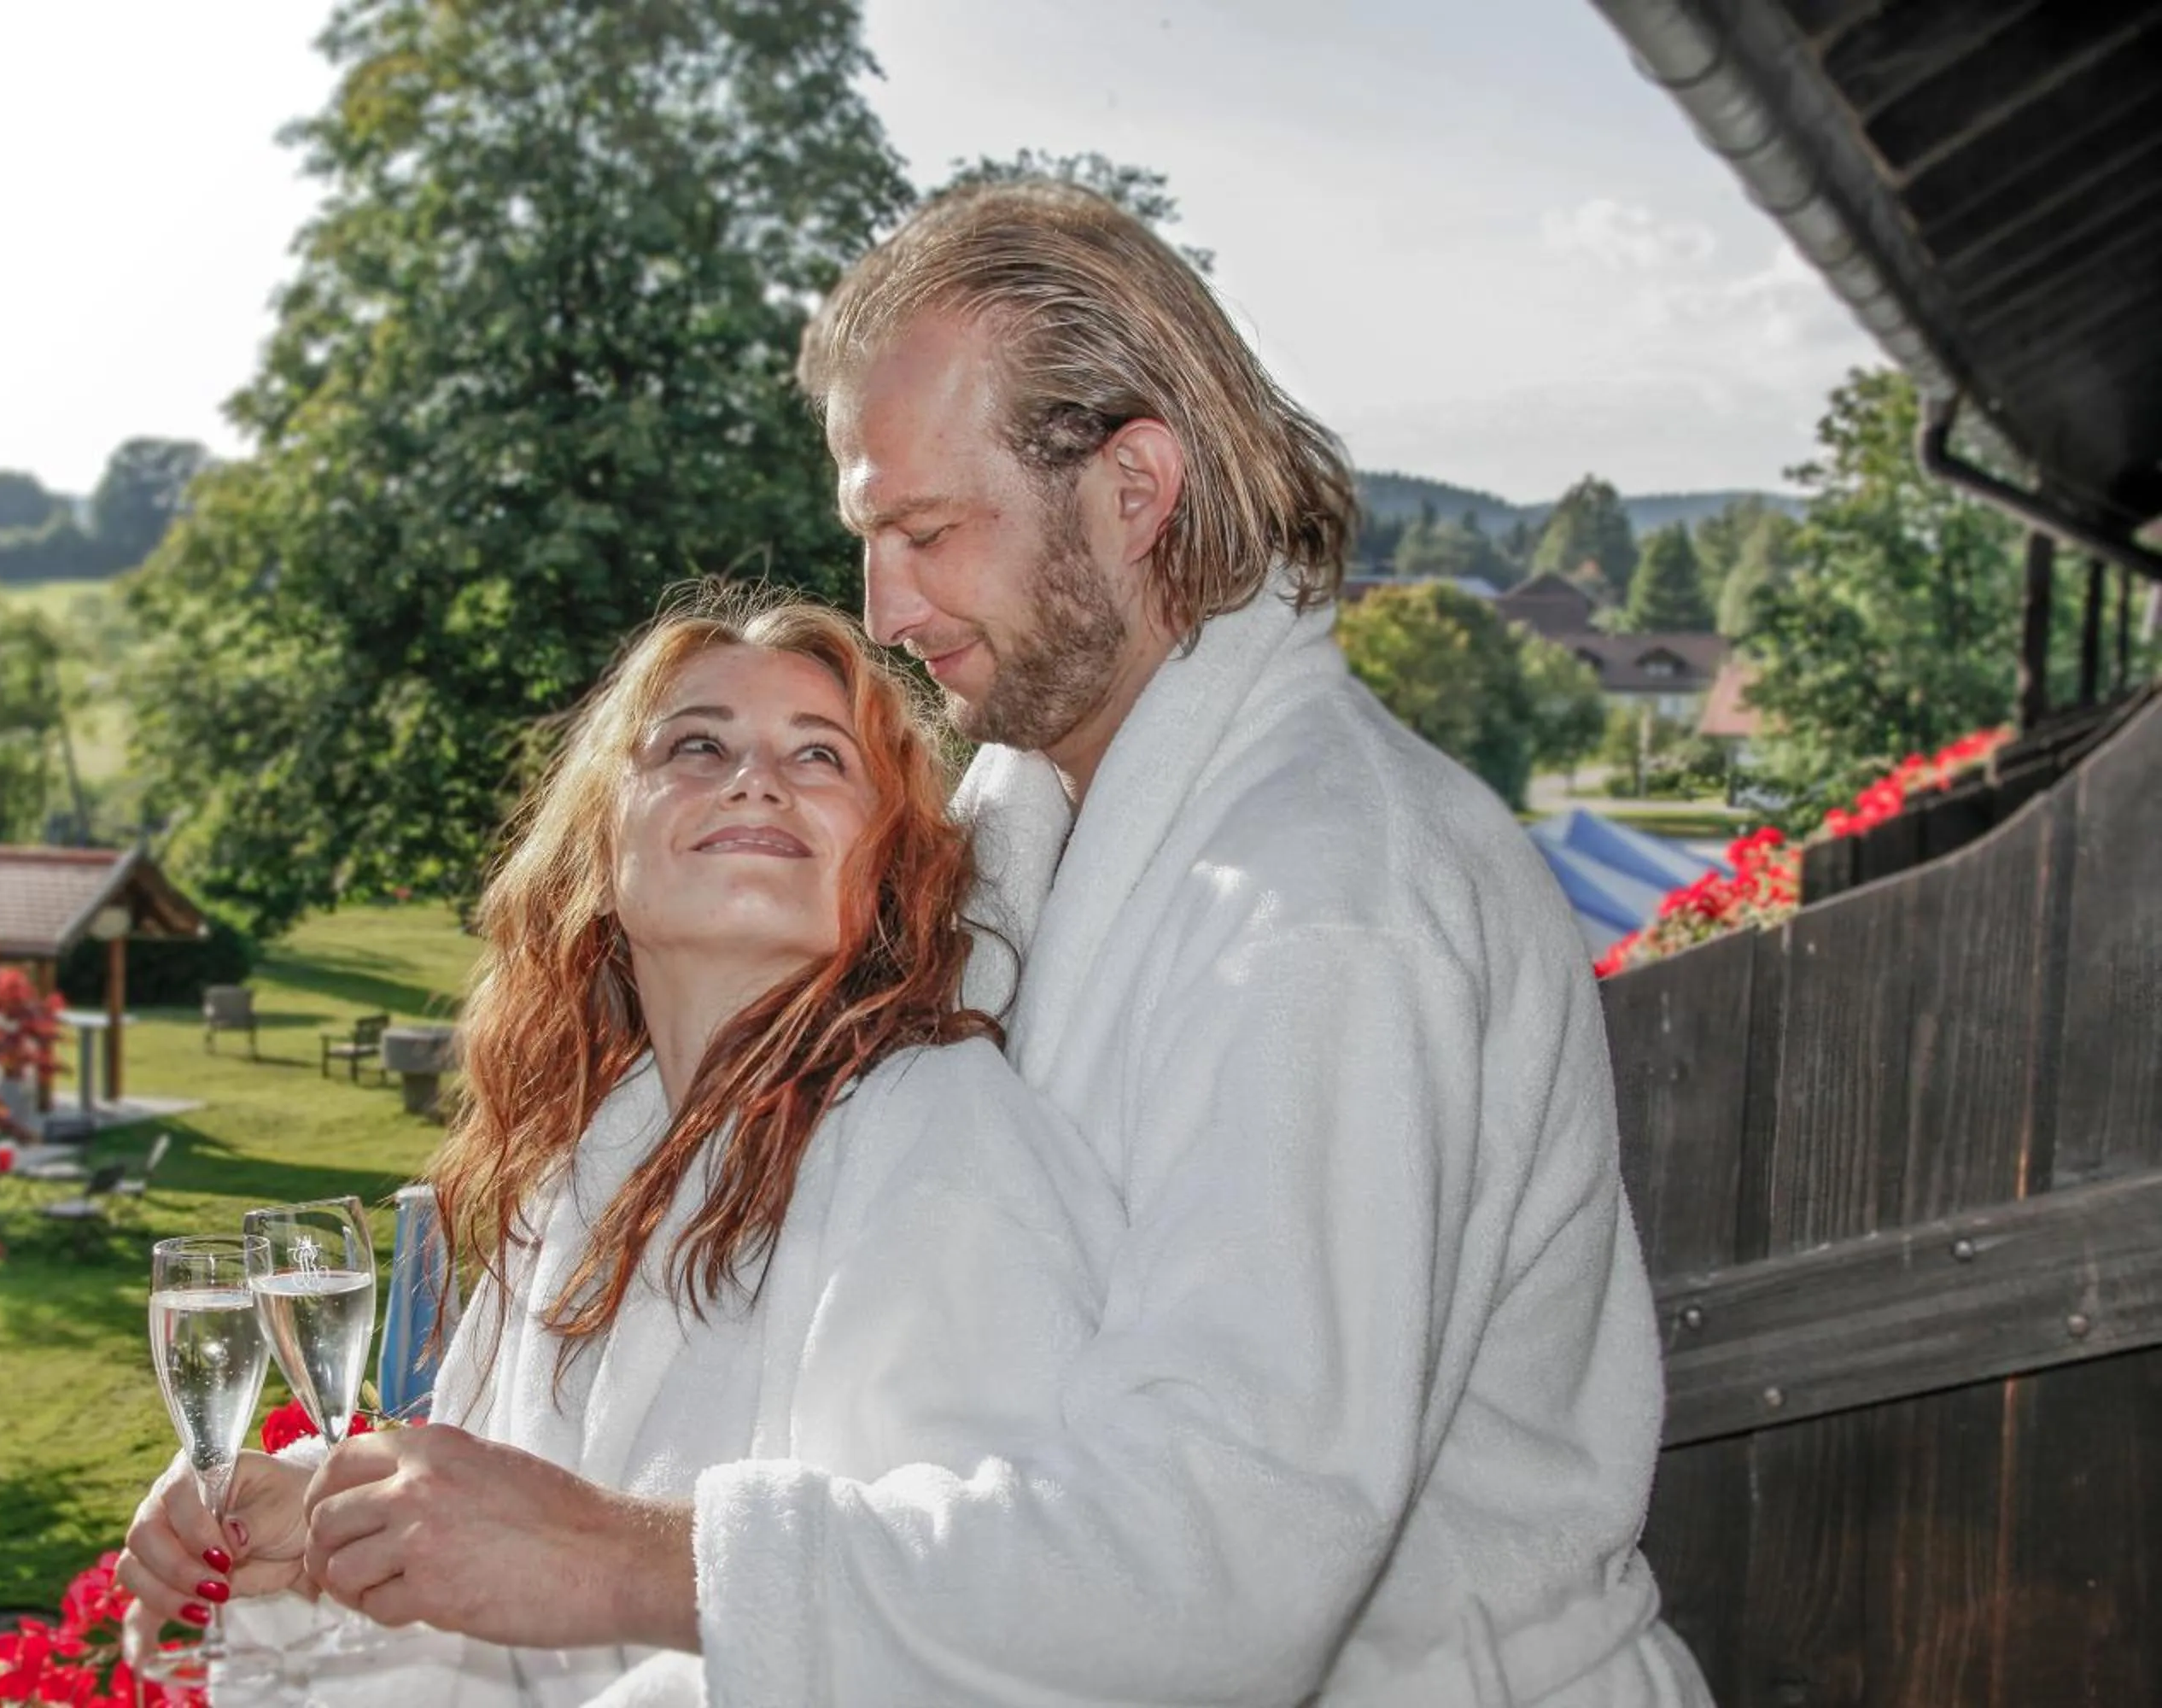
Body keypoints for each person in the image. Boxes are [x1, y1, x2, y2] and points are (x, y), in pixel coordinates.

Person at [292, 180, 1714, 1706]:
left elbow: (1225, 1560)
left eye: (926, 531)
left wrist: (626, 1560)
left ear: (1135, 488)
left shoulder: (1327, 902)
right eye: (868, 534)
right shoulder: (1029, 825)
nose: (882, 607)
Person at [115, 594, 1114, 1702]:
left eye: (820, 756)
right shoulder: (579, 1178)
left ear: (889, 869)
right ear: (603, 837)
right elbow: (495, 1636)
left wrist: (605, 1554)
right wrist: (320, 1540)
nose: (755, 777)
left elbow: (1008, 1615)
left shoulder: (940, 1137)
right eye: (698, 743)